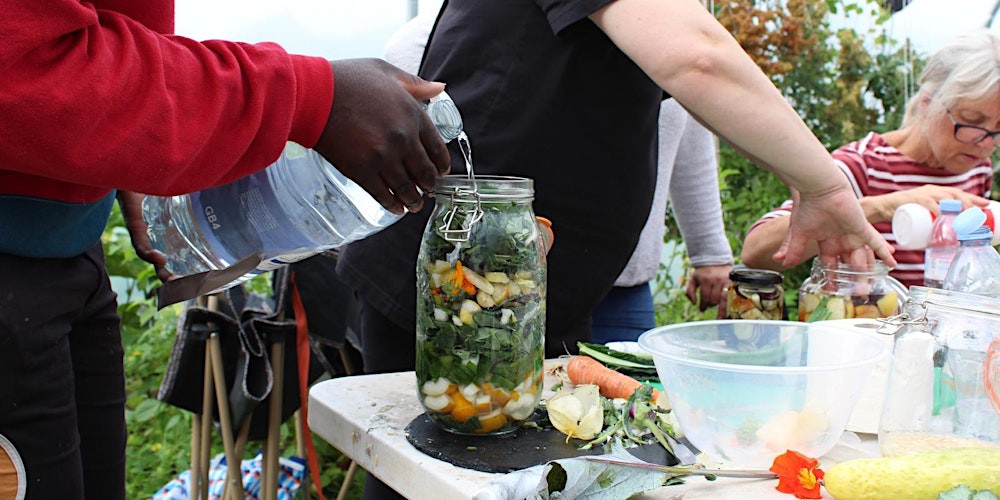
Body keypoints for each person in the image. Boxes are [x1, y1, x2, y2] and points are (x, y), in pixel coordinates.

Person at [346, 2, 894, 498]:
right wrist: (823, 186)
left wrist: (801, 186)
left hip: (530, 287)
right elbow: (698, 59)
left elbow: (696, 88)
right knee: (436, 483)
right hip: (460, 292)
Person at [0, 1, 452, 498]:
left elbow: (108, 27)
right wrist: (308, 95)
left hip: (68, 253)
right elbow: (24, 62)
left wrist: (129, 141)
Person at [741, 29, 997, 288]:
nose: (987, 143)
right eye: (972, 121)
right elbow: (756, 252)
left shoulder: (977, 170)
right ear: (928, 102)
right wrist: (878, 208)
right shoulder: (862, 165)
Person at [591, 98, 734, 343]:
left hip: (624, 287)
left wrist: (710, 252)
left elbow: (690, 132)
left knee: (636, 381)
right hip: (525, 282)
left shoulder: (674, 62)